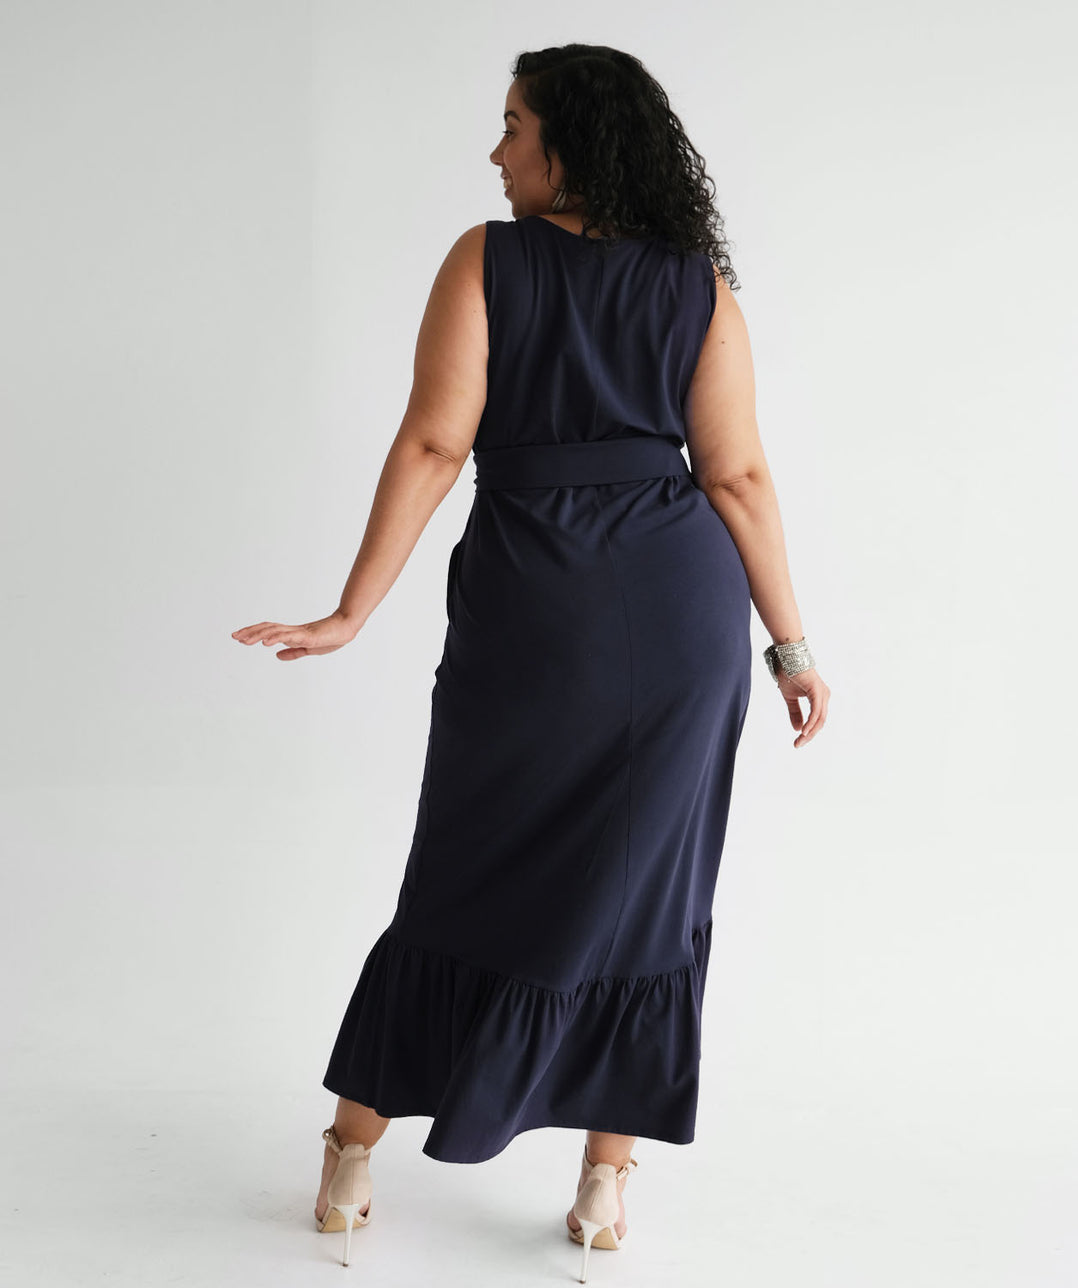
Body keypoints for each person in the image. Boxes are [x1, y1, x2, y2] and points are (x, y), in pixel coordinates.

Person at [232, 43, 829, 1279]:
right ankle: (606, 1187)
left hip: (532, 600)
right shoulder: (697, 287)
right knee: (649, 893)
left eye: (514, 126)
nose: (496, 150)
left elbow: (434, 441)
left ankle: (351, 1159)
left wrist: (351, 611)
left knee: (462, 868)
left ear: (573, 144)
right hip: (681, 615)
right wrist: (790, 646)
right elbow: (736, 475)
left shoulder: (489, 261)